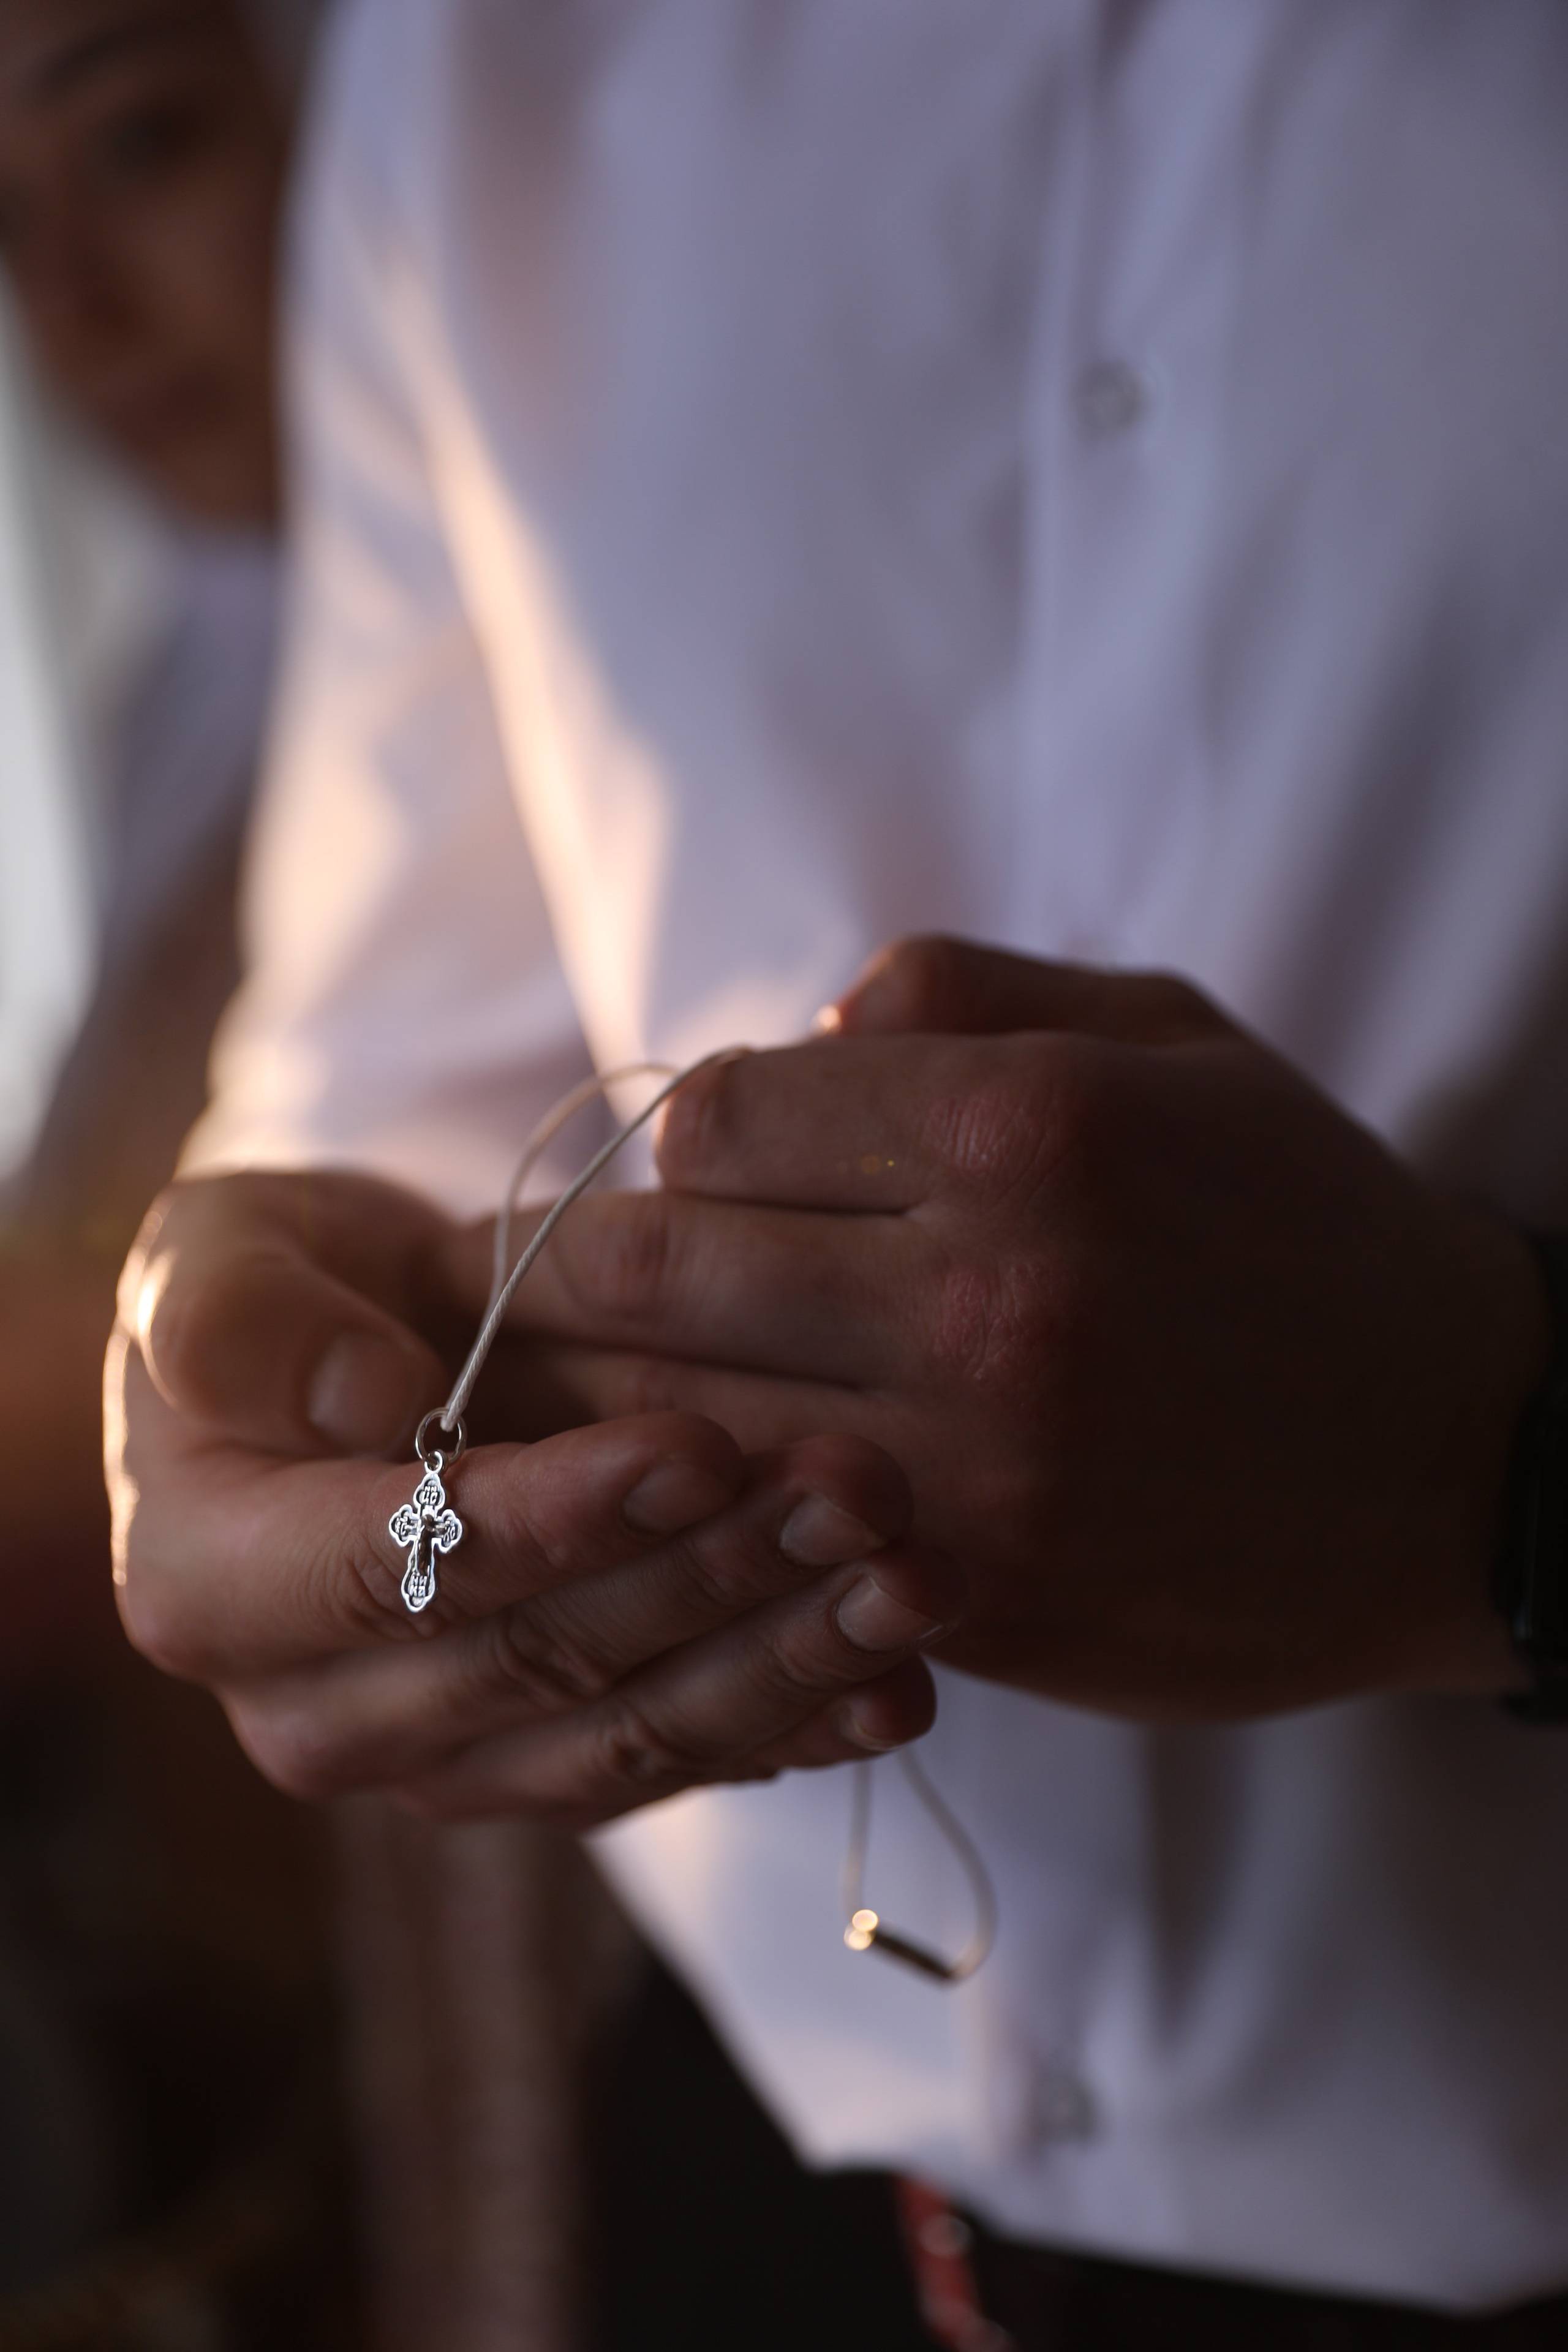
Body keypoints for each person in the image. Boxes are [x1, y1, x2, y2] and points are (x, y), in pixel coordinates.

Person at [109, 1, 1568, 2343]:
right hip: (786, 2207)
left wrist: (1508, 1474)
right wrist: (247, 1367)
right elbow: (399, 1060)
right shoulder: (474, 51)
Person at [0, 1, 361, 2335]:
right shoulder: (205, 710)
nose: (76, 308)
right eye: (4, 239)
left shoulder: (648, 739)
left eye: (137, 147)